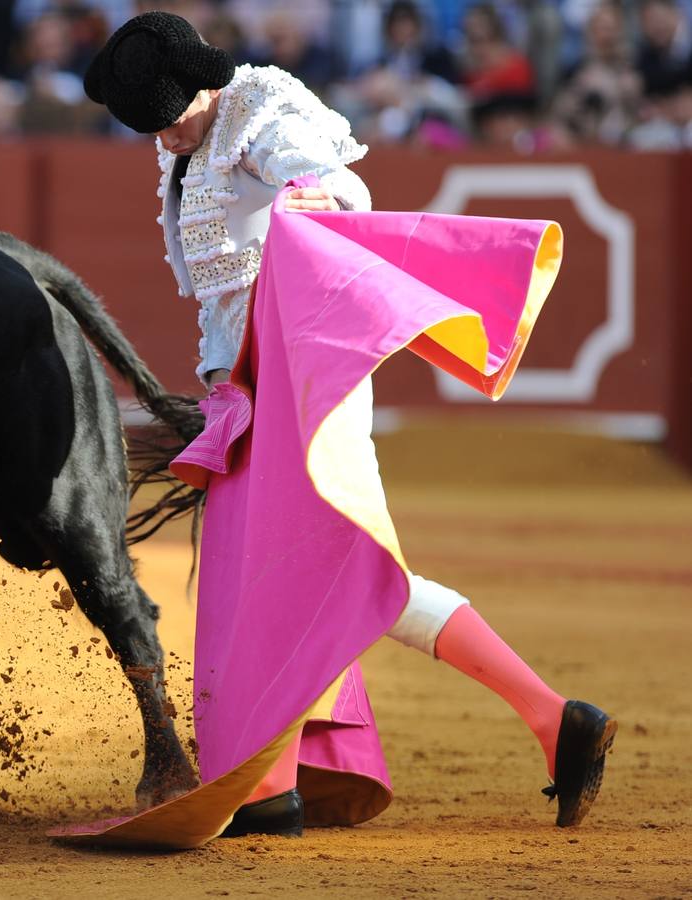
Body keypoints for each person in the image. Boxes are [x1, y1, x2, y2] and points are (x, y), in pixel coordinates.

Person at [81, 11, 615, 837]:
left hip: (304, 372)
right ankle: (538, 723)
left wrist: (306, 199)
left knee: (325, 571)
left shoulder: (262, 111)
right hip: (248, 391)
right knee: (302, 577)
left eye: (172, 118)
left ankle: (285, 783)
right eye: (150, 127)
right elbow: (221, 298)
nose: (166, 136)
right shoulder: (183, 152)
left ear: (203, 84)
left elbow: (339, 187)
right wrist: (222, 386)